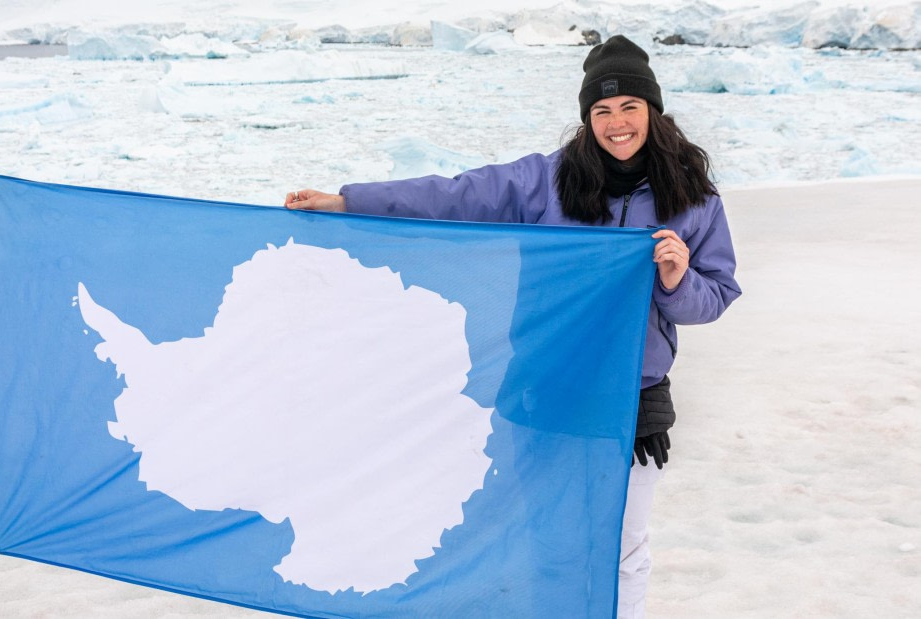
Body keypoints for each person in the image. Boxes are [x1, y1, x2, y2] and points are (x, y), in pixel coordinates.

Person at [284, 34, 740, 619]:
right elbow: (451, 196)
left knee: (623, 548)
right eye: (601, 110)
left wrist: (677, 279)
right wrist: (347, 202)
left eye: (629, 106)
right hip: (545, 385)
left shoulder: (694, 198)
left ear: (653, 110)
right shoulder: (545, 181)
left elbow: (717, 295)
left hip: (631, 400)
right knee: (549, 538)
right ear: (587, 118)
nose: (616, 122)